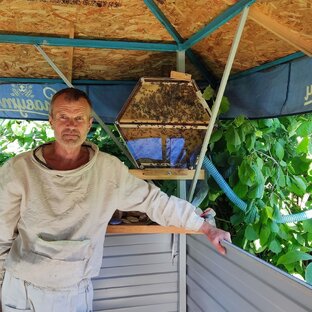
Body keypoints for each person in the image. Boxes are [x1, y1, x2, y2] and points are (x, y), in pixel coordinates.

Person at [0, 88, 231, 312]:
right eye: (63, 117)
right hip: (21, 290)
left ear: (89, 124)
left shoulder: (108, 170)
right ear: (51, 121)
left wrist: (205, 228)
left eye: (79, 118)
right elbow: (1, 236)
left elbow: (154, 201)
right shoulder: (19, 169)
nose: (71, 125)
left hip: (73, 292)